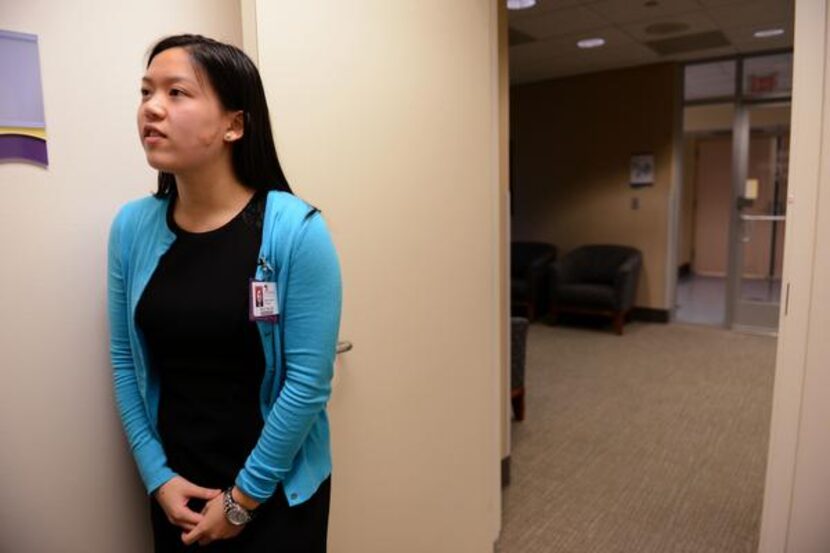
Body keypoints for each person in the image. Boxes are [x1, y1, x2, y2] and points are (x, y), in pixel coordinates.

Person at [107, 34, 342, 552]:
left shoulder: (296, 232)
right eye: (146, 92)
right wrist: (157, 477)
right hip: (177, 493)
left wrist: (242, 501)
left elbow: (306, 383)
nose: (151, 108)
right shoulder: (131, 228)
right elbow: (126, 360)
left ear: (234, 124)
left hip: (276, 495)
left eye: (176, 93)